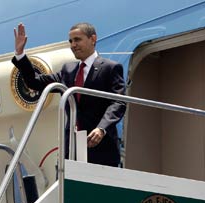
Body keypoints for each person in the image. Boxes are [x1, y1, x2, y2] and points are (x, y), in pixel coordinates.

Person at [12, 22, 126, 167]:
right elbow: (34, 82)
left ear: (93, 39)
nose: (73, 45)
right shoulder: (69, 70)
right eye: (71, 41)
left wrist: (101, 128)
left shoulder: (110, 68)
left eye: (77, 39)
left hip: (99, 147)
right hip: (71, 148)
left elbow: (118, 102)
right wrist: (20, 54)